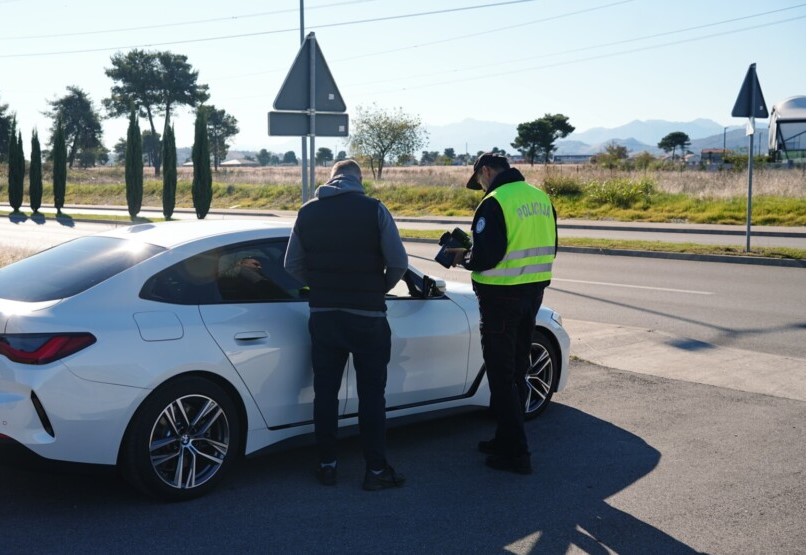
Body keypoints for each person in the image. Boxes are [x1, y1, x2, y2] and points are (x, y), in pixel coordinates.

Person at [284, 159, 409, 490]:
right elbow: (398, 262)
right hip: (368, 317)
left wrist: (321, 287)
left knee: (325, 393)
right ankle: (376, 471)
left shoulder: (307, 212)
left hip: (324, 316)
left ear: (330, 178)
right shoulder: (374, 209)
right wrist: (377, 288)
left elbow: (291, 264)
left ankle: (327, 465)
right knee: (372, 396)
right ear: (359, 179)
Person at [448, 152, 557, 475]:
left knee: (501, 374)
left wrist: (463, 258)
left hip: (500, 299)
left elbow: (487, 257)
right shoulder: (540, 197)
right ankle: (506, 436)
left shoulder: (494, 201)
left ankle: (516, 452)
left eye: (479, 180)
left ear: (485, 171)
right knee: (518, 368)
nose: (480, 186)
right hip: (533, 293)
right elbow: (551, 247)